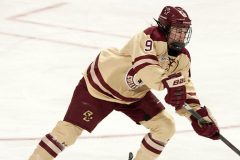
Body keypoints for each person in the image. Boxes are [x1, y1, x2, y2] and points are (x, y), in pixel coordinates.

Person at [28, 6, 220, 160]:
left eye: (184, 31)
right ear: (165, 28)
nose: (181, 36)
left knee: (166, 127)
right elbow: (146, 70)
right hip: (101, 88)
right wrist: (167, 82)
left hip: (133, 95)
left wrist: (198, 116)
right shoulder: (148, 37)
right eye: (177, 31)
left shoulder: (183, 58)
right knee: (67, 134)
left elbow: (186, 88)